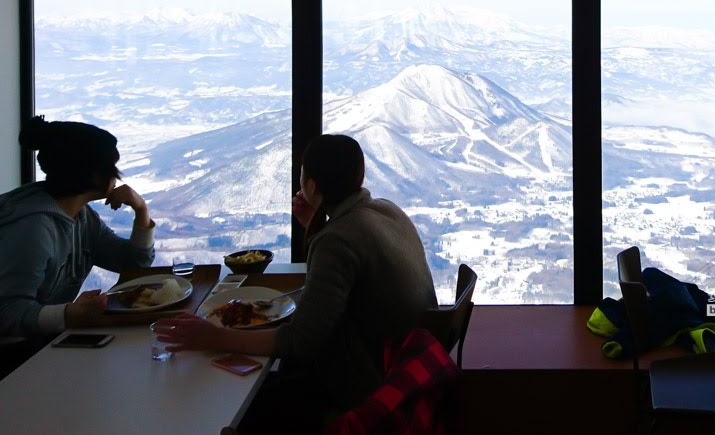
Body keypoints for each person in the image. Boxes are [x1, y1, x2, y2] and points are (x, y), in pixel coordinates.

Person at [156, 134, 437, 430]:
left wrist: (213, 337)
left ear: (311, 186)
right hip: (414, 370)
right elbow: (343, 281)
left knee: (248, 406)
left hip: (373, 388)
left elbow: (300, 341)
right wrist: (316, 226)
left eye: (302, 175)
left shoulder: (337, 239)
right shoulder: (386, 210)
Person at [0, 116, 155, 337]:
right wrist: (70, 314)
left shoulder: (82, 217)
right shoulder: (33, 229)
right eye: (111, 167)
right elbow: (8, 312)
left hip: (43, 344)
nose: (116, 174)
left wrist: (141, 210)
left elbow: (134, 264)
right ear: (92, 175)